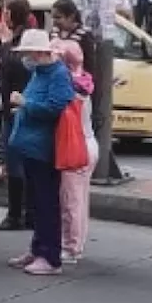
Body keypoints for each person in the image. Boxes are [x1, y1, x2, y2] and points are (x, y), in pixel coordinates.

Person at [6, 29, 76, 276]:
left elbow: (57, 107)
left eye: (28, 53)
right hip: (30, 146)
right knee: (37, 202)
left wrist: (26, 104)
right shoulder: (40, 72)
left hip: (43, 148)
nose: (25, 59)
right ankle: (38, 250)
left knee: (47, 203)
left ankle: (50, 255)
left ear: (38, 53)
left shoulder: (57, 74)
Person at [0, 0, 34, 231]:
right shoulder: (7, 37)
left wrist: (6, 43)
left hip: (18, 108)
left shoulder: (25, 39)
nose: (2, 15)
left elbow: (19, 66)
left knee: (16, 161)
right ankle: (21, 211)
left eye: (5, 11)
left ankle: (19, 214)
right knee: (9, 158)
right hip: (4, 107)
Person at [52, 39, 98, 263]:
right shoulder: (83, 81)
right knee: (79, 200)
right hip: (87, 143)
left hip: (75, 147)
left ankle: (71, 247)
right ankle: (75, 244)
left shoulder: (69, 87)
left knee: (71, 201)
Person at [49, 0, 97, 91]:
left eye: (58, 17)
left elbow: (90, 65)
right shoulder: (53, 33)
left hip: (75, 87)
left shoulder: (84, 35)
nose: (54, 21)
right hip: (53, 85)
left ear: (71, 16)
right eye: (53, 17)